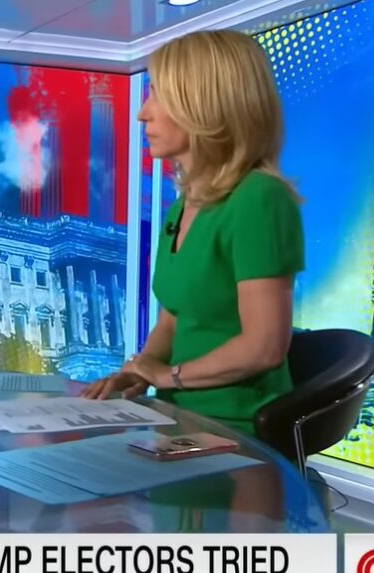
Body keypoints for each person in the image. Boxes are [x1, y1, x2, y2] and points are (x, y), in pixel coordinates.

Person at [82, 30, 304, 435]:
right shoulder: (182, 206)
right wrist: (139, 371)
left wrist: (168, 376)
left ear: (204, 105)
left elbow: (265, 346)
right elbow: (172, 321)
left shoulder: (260, 198)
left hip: (237, 429)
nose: (142, 113)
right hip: (174, 419)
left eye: (157, 95)